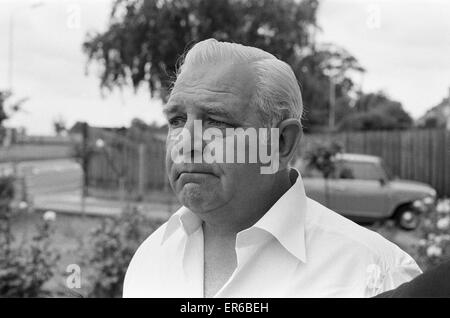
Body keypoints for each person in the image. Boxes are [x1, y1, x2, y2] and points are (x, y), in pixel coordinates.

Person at [123, 39, 421, 298]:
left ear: (280, 143)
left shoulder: (377, 274)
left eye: (216, 122)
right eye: (176, 120)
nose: (184, 143)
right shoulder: (150, 259)